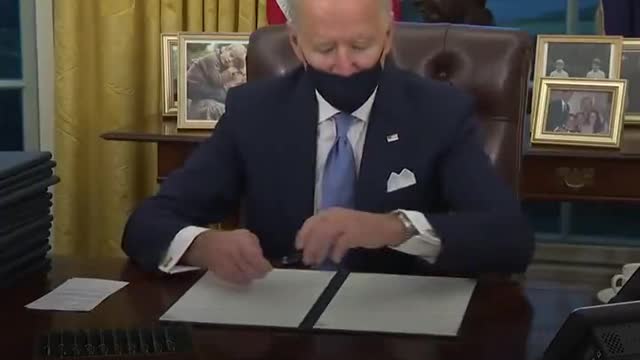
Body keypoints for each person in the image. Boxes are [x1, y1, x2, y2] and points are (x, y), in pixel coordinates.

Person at [122, 0, 534, 284]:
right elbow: (148, 223)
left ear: (388, 38)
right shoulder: (255, 111)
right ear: (297, 45)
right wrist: (201, 245)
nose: (343, 65)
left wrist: (394, 227)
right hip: (280, 324)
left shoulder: (438, 112)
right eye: (324, 49)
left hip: (402, 326)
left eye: (360, 46)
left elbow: (509, 239)